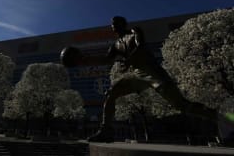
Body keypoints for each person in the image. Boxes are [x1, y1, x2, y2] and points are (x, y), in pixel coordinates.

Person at [62, 16, 217, 142]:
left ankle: (219, 116)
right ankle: (106, 131)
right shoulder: (115, 45)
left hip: (153, 72)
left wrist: (129, 59)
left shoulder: (135, 31)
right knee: (111, 93)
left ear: (123, 23)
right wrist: (83, 59)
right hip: (137, 75)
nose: (114, 25)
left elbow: (140, 45)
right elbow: (106, 59)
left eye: (116, 23)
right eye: (112, 24)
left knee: (182, 105)